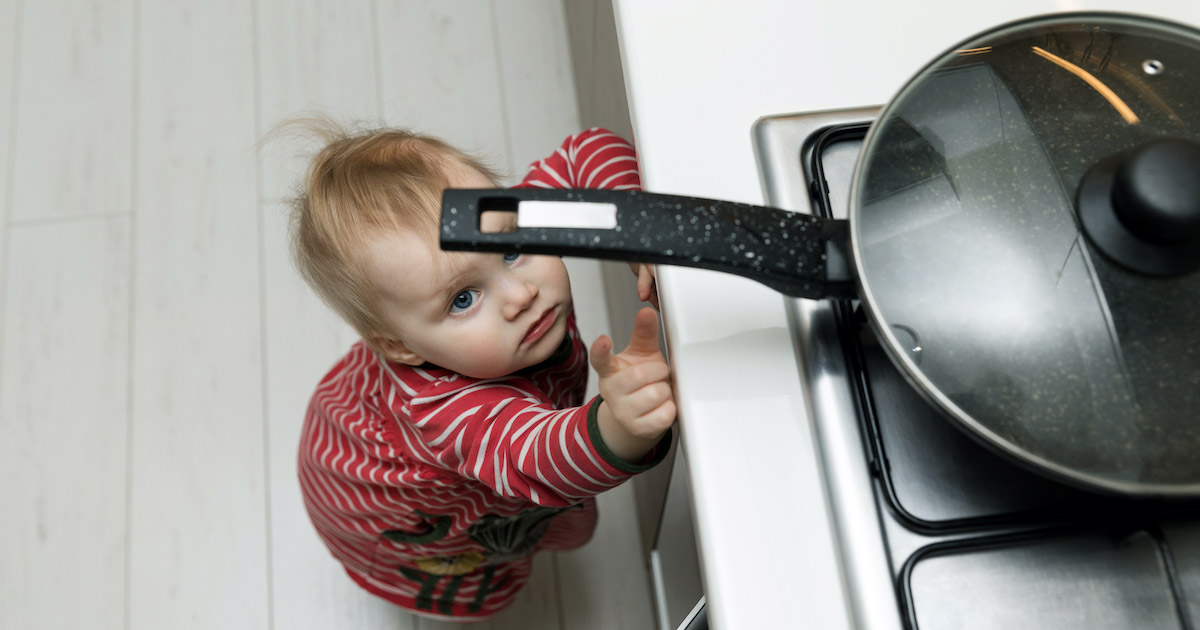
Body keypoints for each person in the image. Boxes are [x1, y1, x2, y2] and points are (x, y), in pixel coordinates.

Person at [288, 122, 675, 621]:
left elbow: (589, 151)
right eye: (463, 299)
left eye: (512, 249)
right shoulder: (445, 413)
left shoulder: (493, 222)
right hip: (391, 507)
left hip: (357, 412)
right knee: (475, 573)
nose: (521, 296)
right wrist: (618, 426)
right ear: (400, 346)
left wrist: (635, 225)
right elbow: (538, 455)